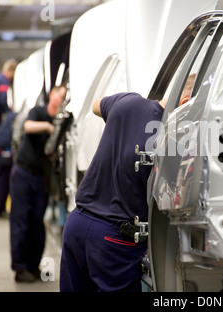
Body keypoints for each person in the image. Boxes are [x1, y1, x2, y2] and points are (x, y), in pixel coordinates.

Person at [59, 74, 196, 292]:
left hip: (76, 225)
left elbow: (96, 106)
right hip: (113, 241)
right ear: (185, 102)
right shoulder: (172, 140)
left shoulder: (127, 102)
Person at [9, 85, 66, 283]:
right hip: (23, 173)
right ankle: (20, 268)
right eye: (60, 95)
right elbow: (28, 126)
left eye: (64, 97)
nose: (60, 99)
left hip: (41, 178)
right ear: (52, 95)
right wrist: (49, 127)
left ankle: (33, 266)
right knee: (21, 221)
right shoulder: (39, 111)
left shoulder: (59, 121)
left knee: (37, 223)